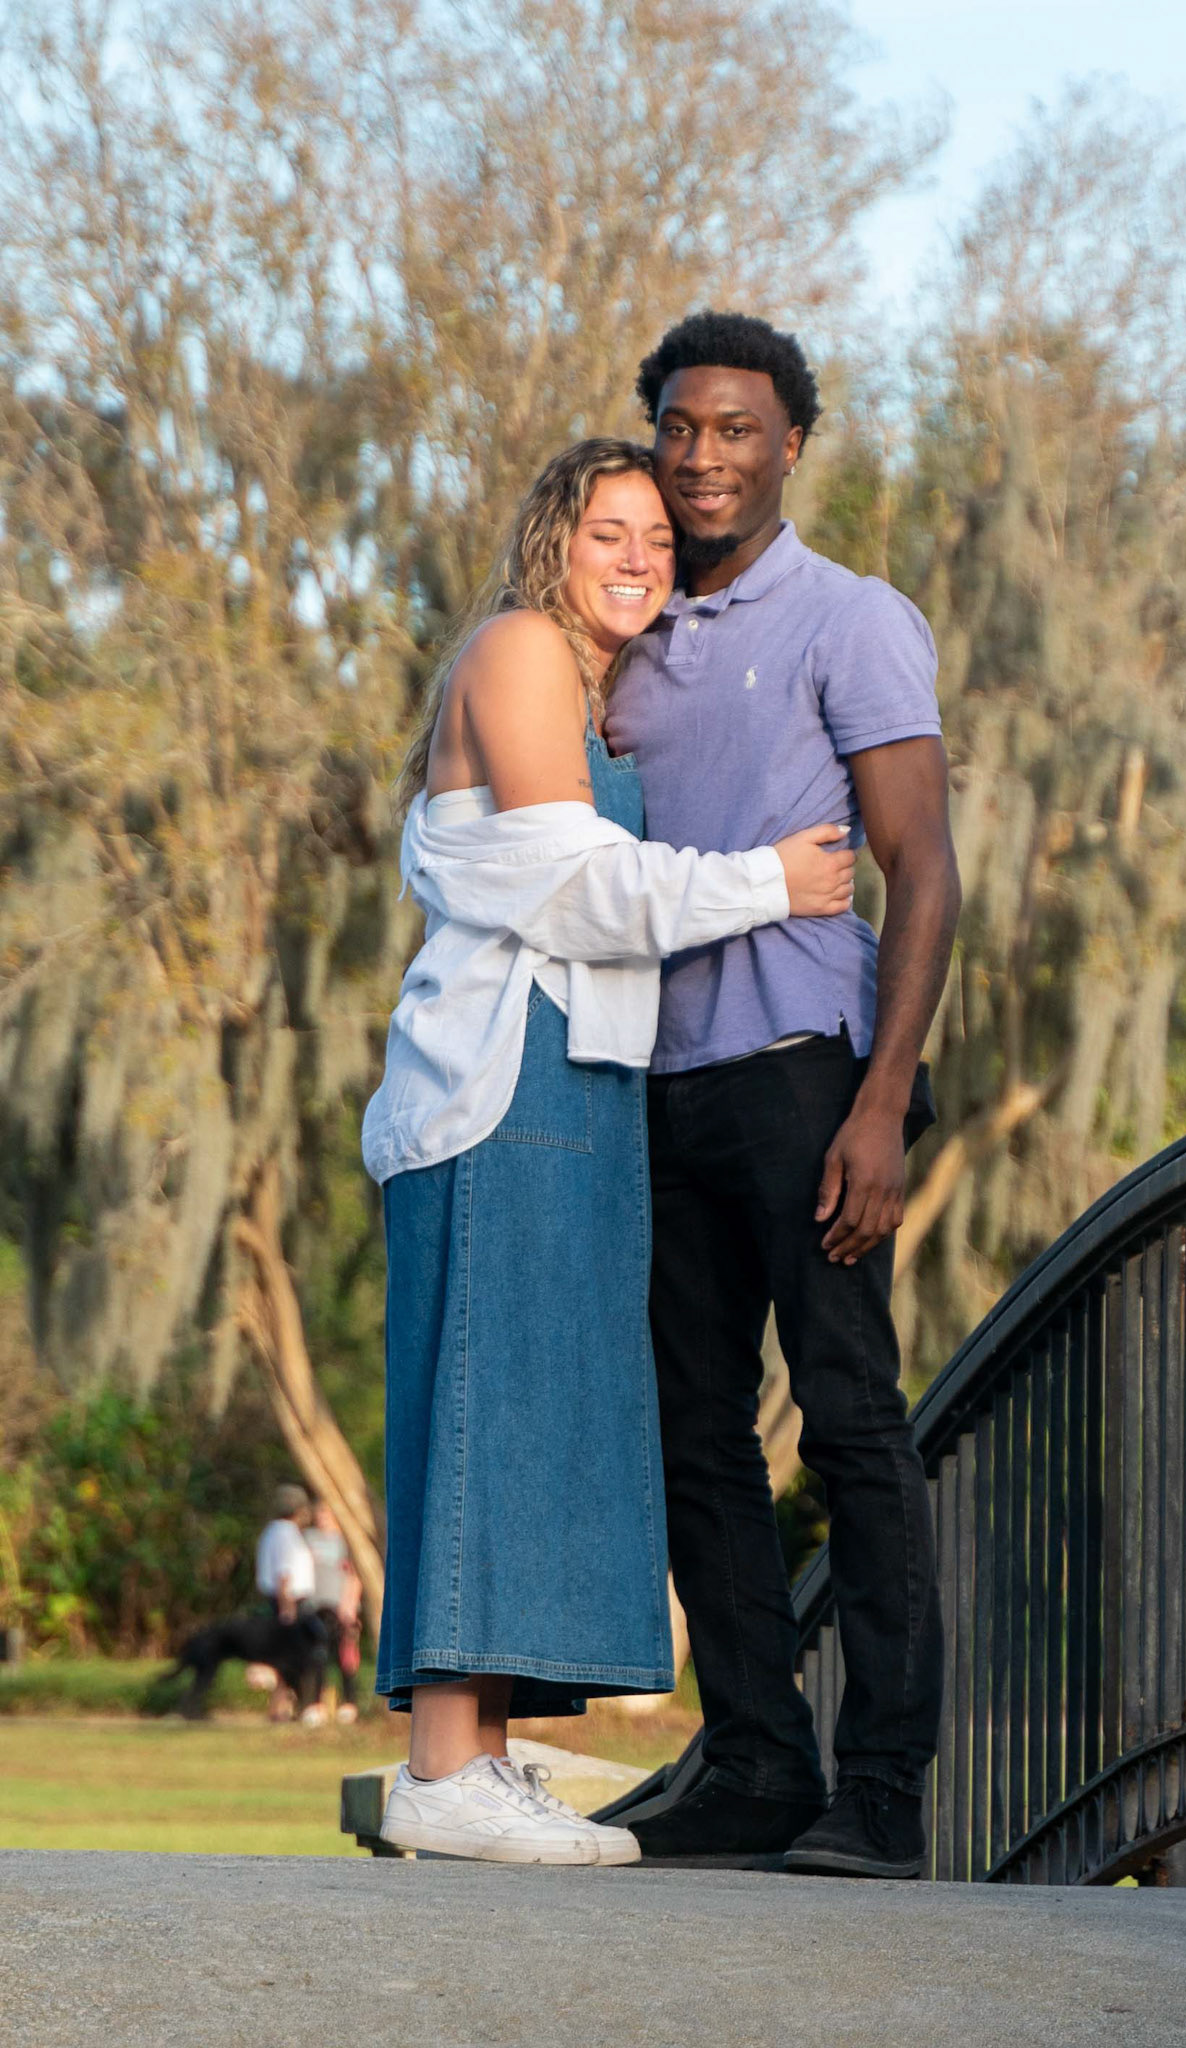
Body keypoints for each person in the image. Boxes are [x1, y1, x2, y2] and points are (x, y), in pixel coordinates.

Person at [359, 437, 857, 1866]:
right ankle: (438, 1766)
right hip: (499, 1080)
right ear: (552, 543)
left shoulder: (592, 690)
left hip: (579, 1090)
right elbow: (577, 890)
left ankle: (477, 1760)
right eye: (607, 532)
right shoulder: (521, 650)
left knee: (538, 1415)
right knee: (487, 1407)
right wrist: (772, 882)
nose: (638, 557)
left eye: (655, 538)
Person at [607, 312, 961, 1880]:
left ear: (790, 445)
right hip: (654, 1087)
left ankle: (881, 1789)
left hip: (804, 1078)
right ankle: (755, 1761)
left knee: (850, 1420)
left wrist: (879, 1106)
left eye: (737, 428)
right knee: (695, 1436)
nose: (704, 456)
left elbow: (923, 869)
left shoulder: (849, 617)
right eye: (681, 427)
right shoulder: (623, 631)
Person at [255, 1483, 329, 1726]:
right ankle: (304, 1705)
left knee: (284, 1657)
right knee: (307, 1654)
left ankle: (280, 1707)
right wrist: (287, 1609)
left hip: (281, 1600)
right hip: (291, 1602)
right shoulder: (286, 1534)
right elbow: (284, 1574)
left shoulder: (272, 1531)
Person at [304, 1500, 362, 1725]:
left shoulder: (345, 1540)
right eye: (319, 1513)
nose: (322, 1517)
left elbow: (354, 1575)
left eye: (327, 1513)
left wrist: (349, 1604)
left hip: (340, 1607)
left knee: (345, 1657)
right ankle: (316, 1704)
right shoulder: (308, 1538)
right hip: (315, 1606)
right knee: (317, 1656)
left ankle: (350, 1703)